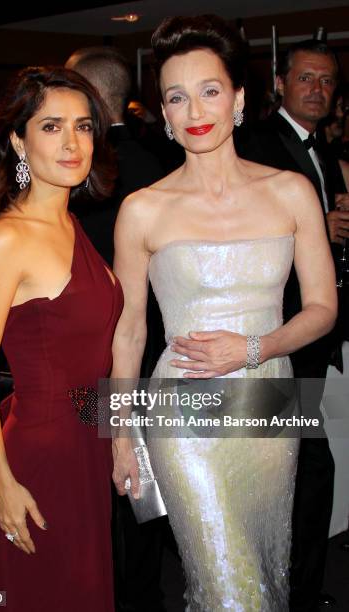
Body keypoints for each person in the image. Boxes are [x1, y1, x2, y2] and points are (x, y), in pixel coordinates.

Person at [111, 15, 337, 611]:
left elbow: (322, 309)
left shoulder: (290, 191)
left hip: (271, 399)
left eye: (209, 90)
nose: (194, 110)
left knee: (265, 570)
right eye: (176, 97)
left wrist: (255, 348)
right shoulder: (142, 209)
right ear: (162, 111)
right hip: (181, 410)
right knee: (230, 584)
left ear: (238, 98)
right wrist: (119, 435)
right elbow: (129, 330)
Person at [0, 66, 122, 612]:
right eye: (51, 127)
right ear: (17, 140)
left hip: (86, 445)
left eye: (84, 126)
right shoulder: (4, 240)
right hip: (42, 454)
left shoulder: (75, 227)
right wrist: (3, 481)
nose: (73, 143)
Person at [235, 40, 348, 610]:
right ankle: (286, 590)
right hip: (273, 333)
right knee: (300, 473)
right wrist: (316, 227)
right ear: (280, 83)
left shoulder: (321, 148)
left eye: (326, 81)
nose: (316, 90)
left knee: (301, 472)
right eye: (306, 78)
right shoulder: (256, 142)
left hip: (309, 335)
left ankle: (289, 588)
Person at [66, 45, 167, 612]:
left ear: (92, 96)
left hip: (103, 358)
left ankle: (123, 596)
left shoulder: (89, 172)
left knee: (112, 488)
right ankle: (143, 594)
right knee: (139, 489)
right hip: (154, 352)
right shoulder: (161, 159)